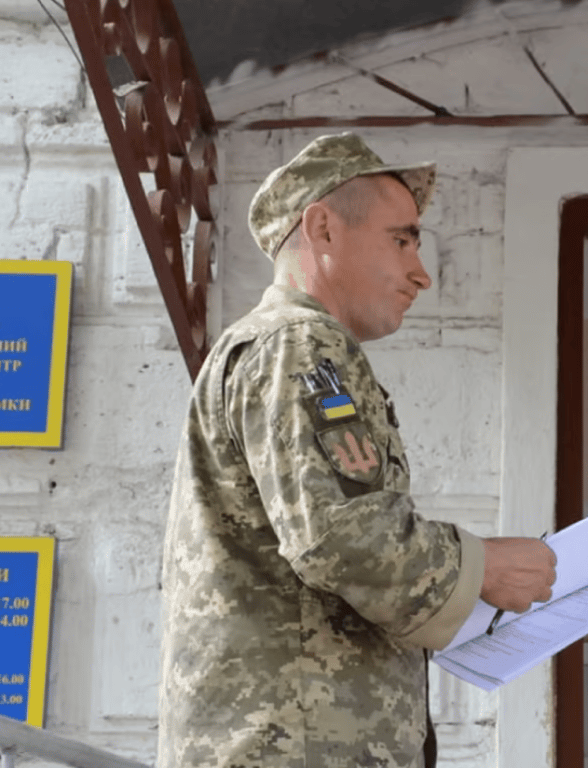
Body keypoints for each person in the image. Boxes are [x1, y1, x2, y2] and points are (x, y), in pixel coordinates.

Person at [159, 133, 557, 768]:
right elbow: (342, 536)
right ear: (322, 228)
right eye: (401, 239)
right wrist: (486, 566)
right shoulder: (300, 344)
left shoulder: (278, 346)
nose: (420, 273)